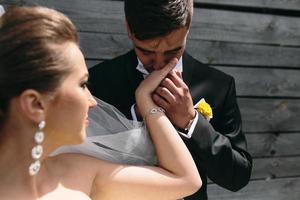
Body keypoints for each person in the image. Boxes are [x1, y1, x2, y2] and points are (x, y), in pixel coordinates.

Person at [0, 6, 202, 199]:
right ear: (36, 104)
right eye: (82, 85)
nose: (92, 101)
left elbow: (186, 180)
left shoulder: (76, 171)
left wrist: (146, 101)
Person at [89, 0, 252, 199]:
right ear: (128, 28)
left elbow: (238, 177)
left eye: (173, 52)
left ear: (188, 26)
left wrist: (191, 122)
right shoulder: (98, 80)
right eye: (146, 51)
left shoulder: (218, 85)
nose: (158, 64)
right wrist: (138, 116)